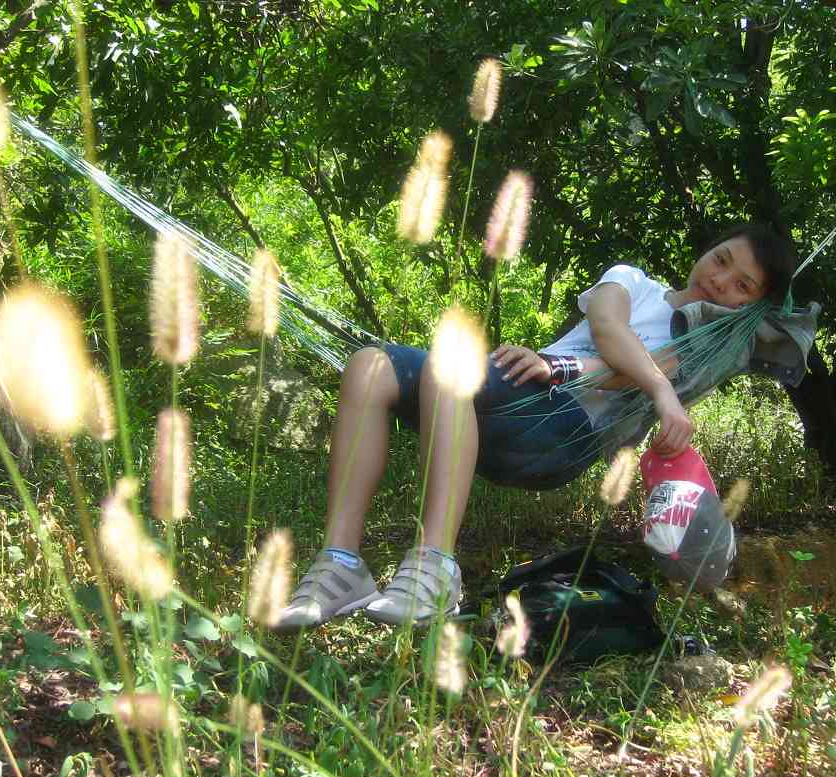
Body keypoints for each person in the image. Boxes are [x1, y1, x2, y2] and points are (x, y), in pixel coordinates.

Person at [274, 224, 803, 630]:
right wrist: (643, 386)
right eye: (721, 259)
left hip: (561, 431)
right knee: (369, 365)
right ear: (707, 251)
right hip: (520, 388)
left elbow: (633, 373)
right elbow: (607, 327)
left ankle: (435, 567)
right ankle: (341, 564)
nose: (720, 280)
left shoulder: (701, 342)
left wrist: (574, 370)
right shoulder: (632, 281)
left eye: (742, 285)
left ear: (752, 305)